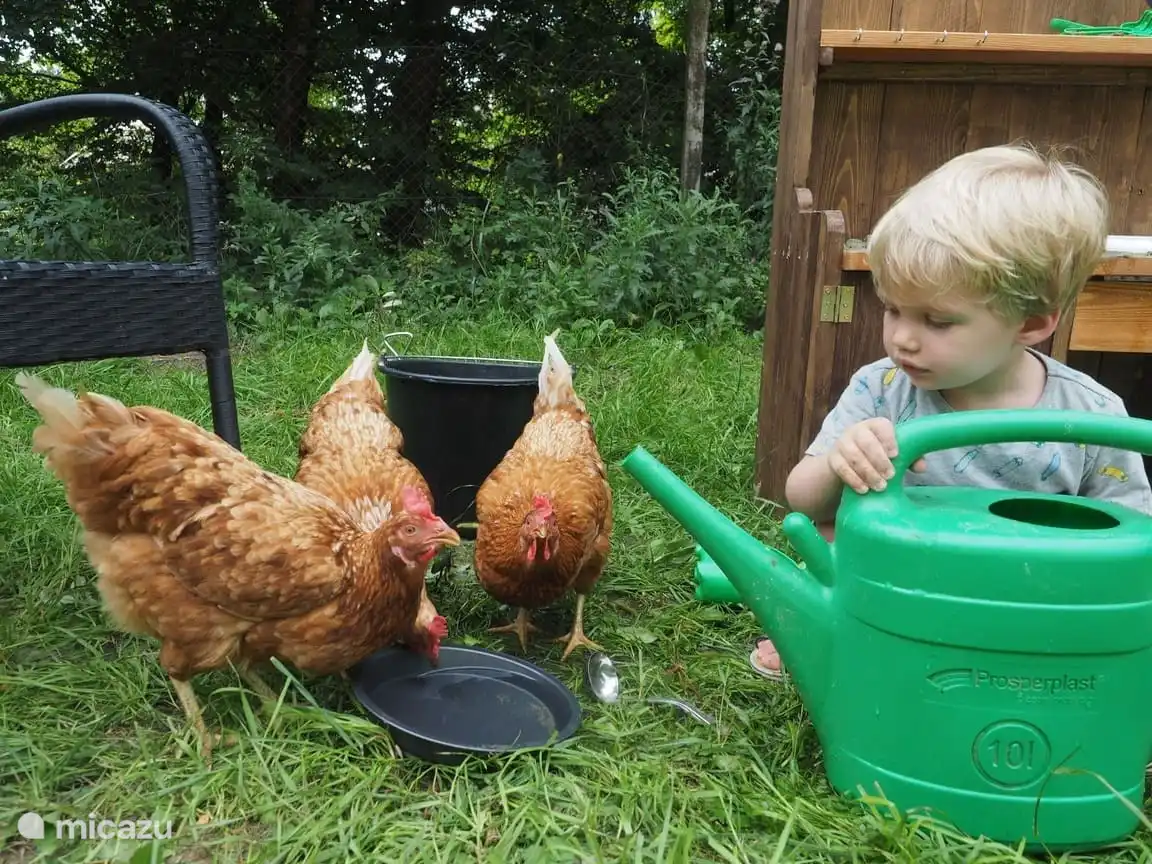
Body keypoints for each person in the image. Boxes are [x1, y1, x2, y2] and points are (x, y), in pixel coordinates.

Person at [751, 143, 1152, 680]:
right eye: (892, 309)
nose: (902, 340)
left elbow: (1133, 540)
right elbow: (800, 499)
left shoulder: (1092, 417)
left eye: (937, 321)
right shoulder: (882, 389)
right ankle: (829, 624)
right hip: (893, 598)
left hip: (1026, 609)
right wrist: (840, 461)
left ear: (1031, 323)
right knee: (834, 537)